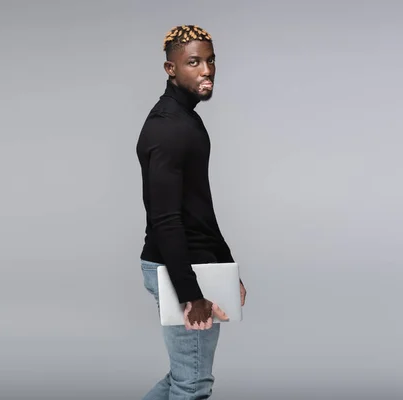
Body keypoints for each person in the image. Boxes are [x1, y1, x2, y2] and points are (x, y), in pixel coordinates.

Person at [136, 24, 247, 399]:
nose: (207, 71)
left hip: (193, 264)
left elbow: (199, 207)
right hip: (179, 269)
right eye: (194, 62)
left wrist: (227, 267)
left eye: (211, 60)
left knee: (182, 378)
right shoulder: (168, 129)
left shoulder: (186, 120)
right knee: (192, 384)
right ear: (171, 69)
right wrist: (190, 294)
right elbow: (165, 217)